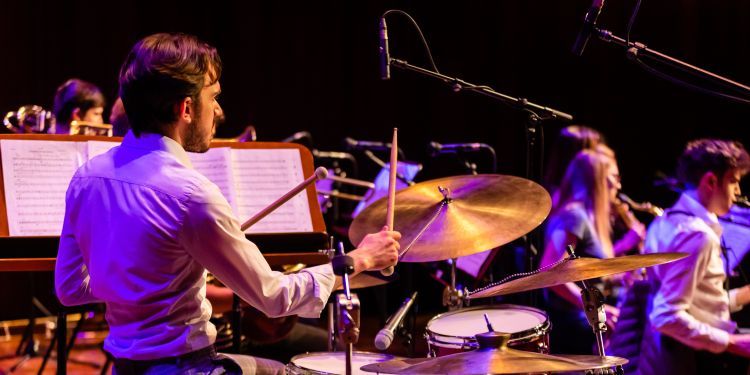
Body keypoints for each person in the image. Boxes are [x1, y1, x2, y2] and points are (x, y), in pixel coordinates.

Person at [54, 32, 400, 374]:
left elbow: (69, 290)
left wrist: (144, 280)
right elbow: (273, 298)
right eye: (213, 96)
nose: (218, 110)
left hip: (125, 368)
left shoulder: (86, 177)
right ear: (186, 108)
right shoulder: (191, 195)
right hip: (187, 367)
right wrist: (359, 259)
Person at [638, 139, 750, 374]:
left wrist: (743, 295)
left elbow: (696, 302)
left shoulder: (663, 221)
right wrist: (731, 342)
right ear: (711, 181)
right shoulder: (698, 236)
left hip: (666, 355)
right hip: (695, 361)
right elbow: (666, 316)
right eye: (734, 181)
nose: (738, 192)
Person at [541, 148, 640, 354]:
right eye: (614, 177)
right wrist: (593, 308)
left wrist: (619, 277)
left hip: (585, 316)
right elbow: (550, 273)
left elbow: (583, 271)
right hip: (571, 322)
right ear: (597, 180)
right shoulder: (575, 216)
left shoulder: (590, 217)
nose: (619, 185)